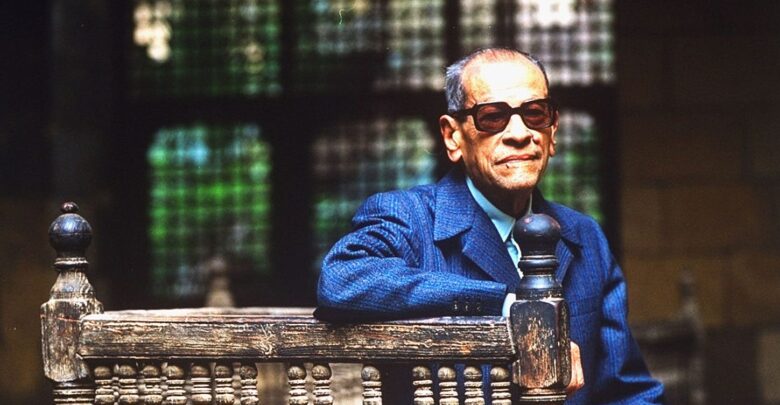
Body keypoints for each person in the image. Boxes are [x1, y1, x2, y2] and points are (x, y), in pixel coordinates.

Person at [315, 47, 664, 404]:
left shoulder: (585, 236)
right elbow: (341, 279)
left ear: (553, 130)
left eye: (535, 113)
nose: (520, 133)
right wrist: (503, 305)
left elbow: (628, 392)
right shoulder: (409, 218)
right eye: (493, 117)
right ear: (453, 137)